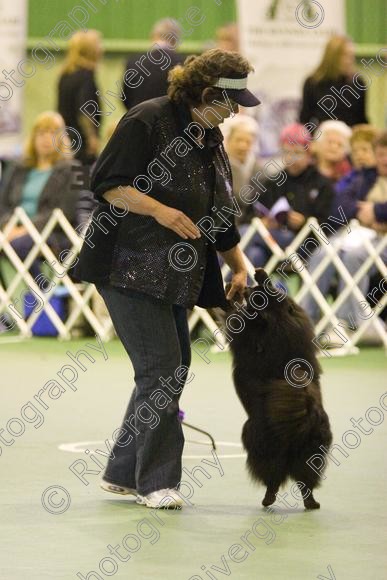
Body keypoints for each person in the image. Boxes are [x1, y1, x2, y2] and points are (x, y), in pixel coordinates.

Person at [73, 49, 260, 509]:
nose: (236, 112)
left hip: (177, 272)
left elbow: (219, 211)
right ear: (208, 93)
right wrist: (159, 209)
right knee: (160, 370)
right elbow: (108, 183)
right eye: (232, 102)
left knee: (172, 368)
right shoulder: (146, 120)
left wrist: (238, 263)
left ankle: (122, 472)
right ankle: (156, 482)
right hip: (126, 264)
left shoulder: (210, 135)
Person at [300, 130, 387, 327]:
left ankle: (347, 323)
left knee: (353, 256)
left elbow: (373, 211)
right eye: (380, 154)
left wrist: (376, 210)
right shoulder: (366, 177)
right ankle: (307, 320)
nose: (384, 160)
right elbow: (339, 206)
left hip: (381, 240)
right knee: (322, 253)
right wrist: (362, 213)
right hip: (360, 234)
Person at [0, 111, 81, 285]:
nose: (46, 138)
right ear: (34, 137)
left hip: (52, 233)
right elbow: (3, 204)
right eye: (41, 133)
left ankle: (42, 290)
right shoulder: (17, 167)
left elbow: (65, 212)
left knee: (20, 245)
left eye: (52, 133)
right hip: (13, 229)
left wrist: (24, 230)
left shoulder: (74, 169)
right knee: (15, 244)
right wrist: (9, 227)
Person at [241, 123, 335, 267]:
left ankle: (222, 283)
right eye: (286, 152)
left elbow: (330, 226)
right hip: (270, 241)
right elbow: (248, 214)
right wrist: (263, 221)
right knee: (255, 254)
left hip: (304, 243)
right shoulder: (273, 181)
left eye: (297, 153)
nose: (291, 158)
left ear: (308, 153)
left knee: (243, 234)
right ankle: (252, 289)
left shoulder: (323, 184)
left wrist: (303, 222)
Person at [299, 34, 368, 128]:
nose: (350, 61)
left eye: (352, 56)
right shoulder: (312, 83)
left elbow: (361, 120)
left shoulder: (358, 83)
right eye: (346, 56)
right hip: (321, 138)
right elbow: (305, 119)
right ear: (332, 57)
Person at [57, 29, 103, 166]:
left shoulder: (65, 74)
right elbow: (85, 110)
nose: (102, 48)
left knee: (70, 180)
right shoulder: (86, 75)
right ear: (91, 50)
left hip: (66, 138)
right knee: (82, 180)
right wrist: (92, 137)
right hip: (81, 141)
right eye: (99, 45)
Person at [122, 19, 183, 111]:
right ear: (175, 40)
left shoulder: (133, 62)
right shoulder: (183, 63)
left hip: (138, 120)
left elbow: (125, 97)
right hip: (171, 122)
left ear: (153, 36)